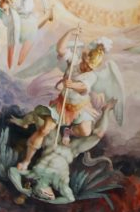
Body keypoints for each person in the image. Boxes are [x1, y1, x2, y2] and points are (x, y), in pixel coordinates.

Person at [12, 29, 109, 171]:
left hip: (79, 107)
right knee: (44, 130)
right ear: (84, 58)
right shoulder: (74, 61)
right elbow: (61, 49)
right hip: (61, 104)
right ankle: (26, 161)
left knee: (85, 132)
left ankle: (68, 131)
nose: (87, 68)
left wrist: (72, 85)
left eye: (90, 68)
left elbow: (84, 87)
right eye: (87, 64)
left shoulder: (91, 76)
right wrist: (69, 32)